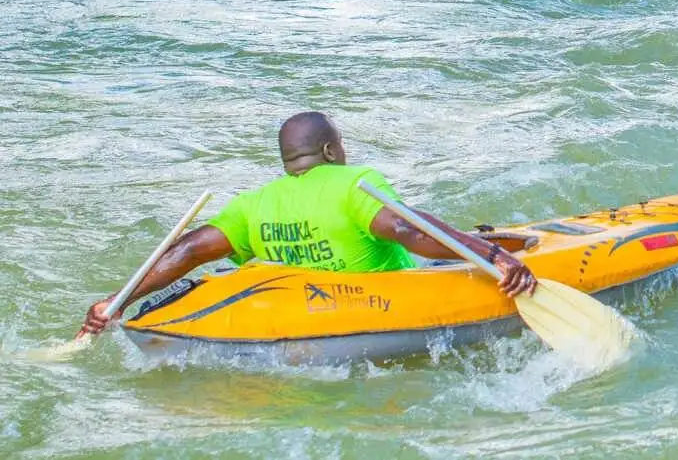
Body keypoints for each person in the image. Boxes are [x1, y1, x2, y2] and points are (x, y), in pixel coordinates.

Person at [80, 112, 535, 337]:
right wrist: (493, 255)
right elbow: (410, 231)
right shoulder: (354, 182)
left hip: (306, 317)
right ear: (332, 151)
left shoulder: (255, 203)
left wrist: (117, 302)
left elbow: (189, 250)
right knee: (490, 242)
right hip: (386, 304)